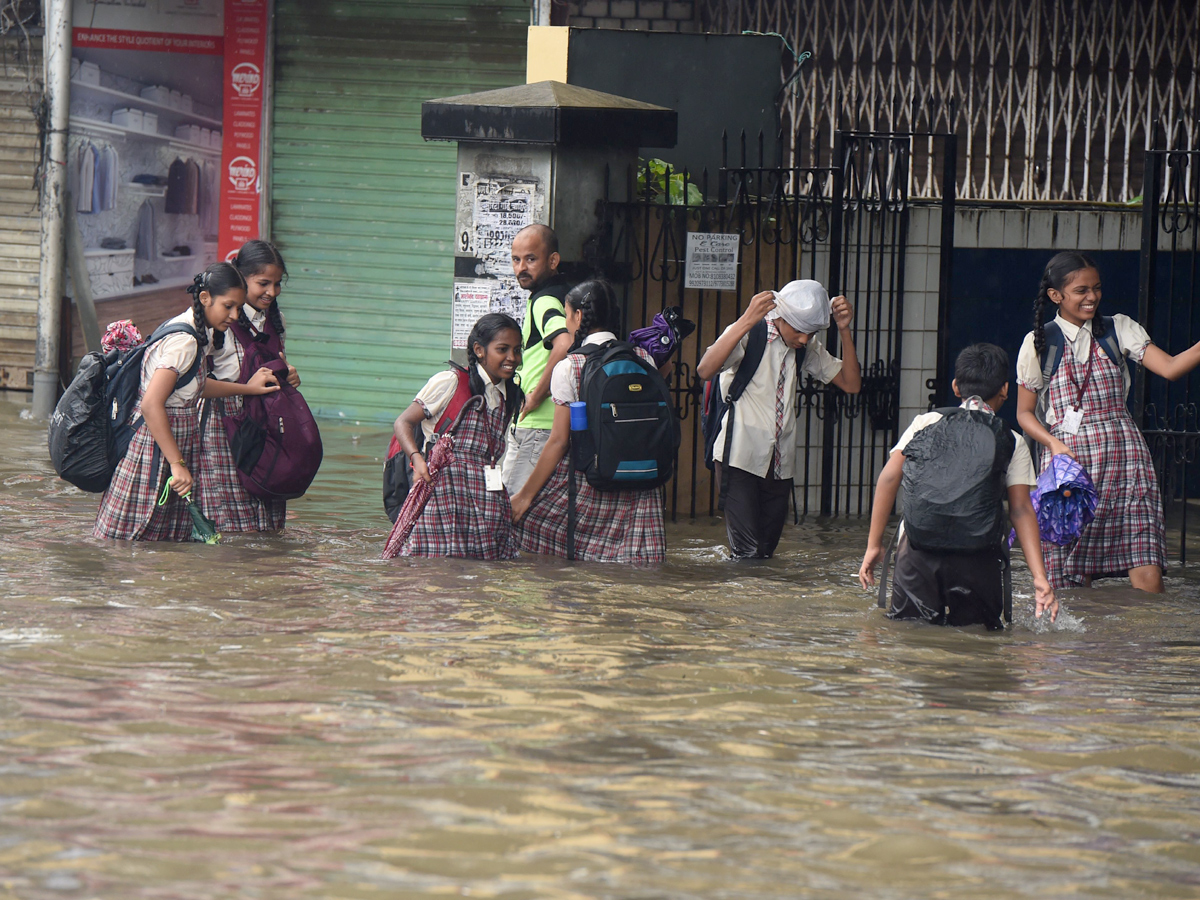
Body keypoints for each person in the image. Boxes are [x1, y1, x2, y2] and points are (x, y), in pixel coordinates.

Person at [1015, 251, 1200, 594]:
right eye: (1081, 291)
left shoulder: (1118, 329)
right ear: (1056, 295)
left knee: (1146, 567)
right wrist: (1053, 443)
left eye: (1096, 288)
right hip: (1069, 464)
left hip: (1126, 460)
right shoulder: (1039, 342)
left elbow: (1171, 368)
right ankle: (1080, 647)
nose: (1092, 297)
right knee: (1071, 577)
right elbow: (1024, 413)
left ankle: (1146, 644)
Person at [859, 343, 1058, 628]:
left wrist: (873, 545)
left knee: (911, 637)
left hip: (917, 549)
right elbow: (1022, 511)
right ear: (1005, 389)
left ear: (955, 387)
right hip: (977, 556)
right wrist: (1039, 578)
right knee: (977, 643)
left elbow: (889, 478)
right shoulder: (1012, 439)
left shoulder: (925, 422)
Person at [93, 263, 280, 541]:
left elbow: (195, 387)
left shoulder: (197, 332)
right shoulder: (185, 341)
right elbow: (151, 404)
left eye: (239, 308)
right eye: (228, 306)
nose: (234, 315)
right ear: (205, 298)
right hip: (154, 446)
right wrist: (177, 463)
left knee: (163, 539)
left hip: (171, 442)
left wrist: (248, 388)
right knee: (125, 537)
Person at [695, 280, 862, 558]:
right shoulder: (752, 334)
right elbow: (705, 369)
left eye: (810, 333)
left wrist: (844, 331)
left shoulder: (804, 346)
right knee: (747, 553)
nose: (804, 339)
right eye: (799, 330)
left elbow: (852, 384)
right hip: (739, 457)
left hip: (779, 464)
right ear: (782, 317)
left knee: (766, 552)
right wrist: (747, 319)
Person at [510, 280, 666, 563]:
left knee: (548, 551)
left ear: (579, 316)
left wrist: (524, 497)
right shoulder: (644, 358)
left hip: (591, 483)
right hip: (641, 487)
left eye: (567, 315)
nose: (567, 322)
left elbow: (559, 441)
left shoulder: (569, 367)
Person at [389, 313, 525, 559]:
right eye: (502, 349)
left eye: (517, 350)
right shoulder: (450, 382)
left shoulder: (510, 396)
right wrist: (417, 459)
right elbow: (403, 422)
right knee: (431, 569)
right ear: (479, 350)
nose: (512, 358)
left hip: (485, 498)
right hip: (441, 494)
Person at [196, 240, 298, 532]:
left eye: (277, 284)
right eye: (263, 283)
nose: (272, 292)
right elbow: (198, 383)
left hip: (265, 423)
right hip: (223, 424)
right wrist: (248, 388)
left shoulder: (276, 320)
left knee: (266, 511)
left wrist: (288, 375)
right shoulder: (219, 320)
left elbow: (274, 364)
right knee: (229, 516)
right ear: (241, 277)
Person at [502, 224, 573, 495]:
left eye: (531, 259)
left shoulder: (544, 301)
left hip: (537, 425)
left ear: (552, 261)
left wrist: (536, 396)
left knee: (512, 507)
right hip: (545, 424)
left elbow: (564, 344)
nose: (521, 268)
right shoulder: (559, 294)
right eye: (516, 259)